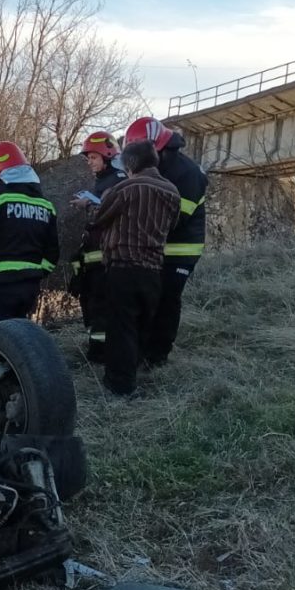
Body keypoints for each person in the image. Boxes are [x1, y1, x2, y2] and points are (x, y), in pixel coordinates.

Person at [91, 139, 180, 397]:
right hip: (154, 270)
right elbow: (172, 224)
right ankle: (136, 372)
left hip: (123, 267)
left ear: (130, 164)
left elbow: (99, 218)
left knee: (121, 327)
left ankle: (120, 386)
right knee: (142, 324)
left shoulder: (126, 188)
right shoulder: (172, 191)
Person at [122, 117, 207, 366]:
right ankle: (143, 350)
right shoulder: (157, 167)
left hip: (181, 249)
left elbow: (176, 218)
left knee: (168, 299)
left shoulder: (188, 173)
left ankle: (158, 355)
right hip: (154, 247)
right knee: (148, 298)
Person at [0, 141, 59, 329]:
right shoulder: (46, 205)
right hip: (29, 287)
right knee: (18, 339)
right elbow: (52, 253)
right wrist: (37, 272)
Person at [69, 131, 126, 362]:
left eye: (93, 157)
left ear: (108, 155)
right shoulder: (105, 180)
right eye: (88, 158)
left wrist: (88, 205)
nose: (89, 162)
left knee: (100, 309)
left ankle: (99, 355)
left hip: (104, 260)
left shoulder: (116, 181)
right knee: (92, 307)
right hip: (94, 258)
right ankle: (97, 350)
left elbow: (107, 216)